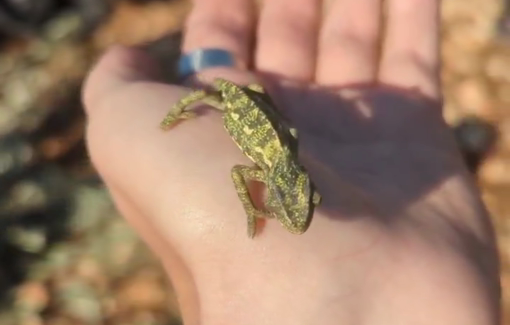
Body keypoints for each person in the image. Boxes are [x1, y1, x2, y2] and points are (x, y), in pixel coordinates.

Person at [82, 0, 501, 324]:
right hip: (242, 107)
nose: (299, 208)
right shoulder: (270, 167)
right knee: (212, 95)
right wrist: (180, 116)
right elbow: (235, 169)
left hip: (272, 126)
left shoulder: (285, 169)